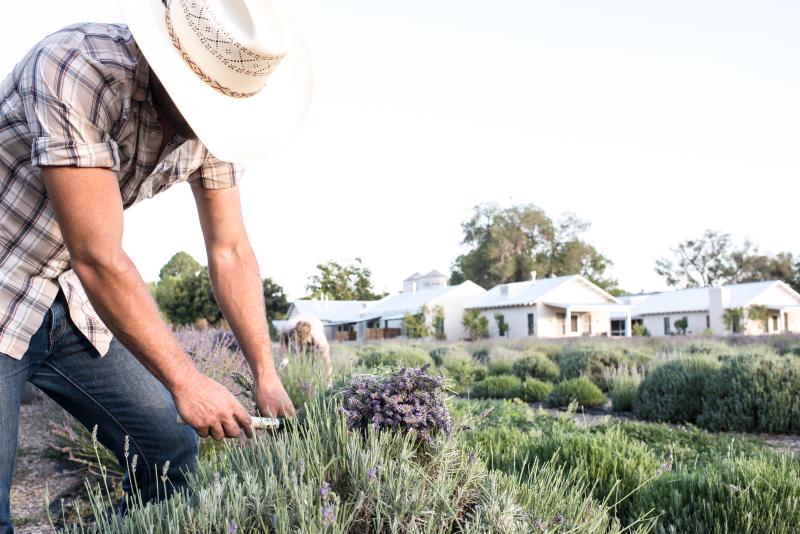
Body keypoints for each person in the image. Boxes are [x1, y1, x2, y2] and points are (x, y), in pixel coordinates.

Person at [0, 0, 312, 532]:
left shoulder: (219, 120)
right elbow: (98, 254)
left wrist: (265, 371)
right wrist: (186, 380)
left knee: (168, 449)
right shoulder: (78, 67)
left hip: (67, 298)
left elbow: (230, 249)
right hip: (8, 284)